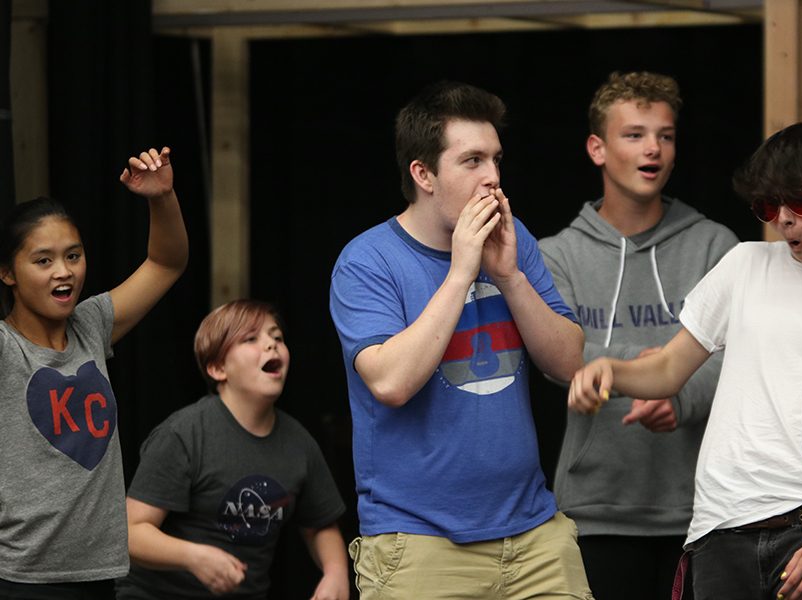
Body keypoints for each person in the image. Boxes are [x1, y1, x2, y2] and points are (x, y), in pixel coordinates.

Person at [567, 120, 802, 600]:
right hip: (719, 526)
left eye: (798, 201)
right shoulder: (744, 264)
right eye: (768, 205)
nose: (783, 219)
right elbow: (671, 368)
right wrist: (613, 370)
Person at [329, 80, 593, 599]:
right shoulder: (367, 261)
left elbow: (567, 364)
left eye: (496, 159)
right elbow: (390, 383)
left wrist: (511, 277)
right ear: (423, 174)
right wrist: (460, 273)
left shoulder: (518, 245)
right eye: (472, 161)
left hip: (535, 535)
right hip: (419, 545)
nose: (493, 178)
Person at [539, 71, 738, 599]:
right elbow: (555, 353)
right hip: (595, 508)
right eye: (634, 135)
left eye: (665, 135)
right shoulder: (557, 255)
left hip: (702, 509)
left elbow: (742, 354)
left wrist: (682, 393)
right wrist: (655, 372)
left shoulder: (715, 245)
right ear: (597, 148)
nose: (653, 149)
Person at [0, 147, 188, 598]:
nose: (63, 272)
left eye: (73, 255)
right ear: (7, 272)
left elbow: (167, 262)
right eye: (42, 260)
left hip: (99, 573)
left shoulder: (90, 325)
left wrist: (161, 198)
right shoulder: (6, 347)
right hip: (22, 579)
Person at [116, 299, 349, 600]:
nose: (271, 345)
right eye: (251, 339)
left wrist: (335, 572)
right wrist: (194, 556)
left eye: (277, 337)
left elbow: (319, 524)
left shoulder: (299, 443)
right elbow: (130, 533)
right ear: (217, 368)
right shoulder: (184, 433)